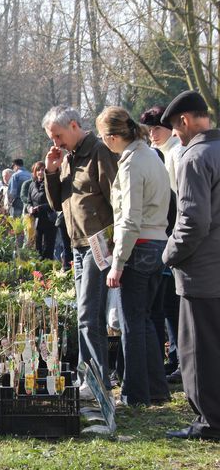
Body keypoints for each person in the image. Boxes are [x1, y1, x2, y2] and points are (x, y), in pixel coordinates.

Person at [96, 106, 171, 407]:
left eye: (103, 137)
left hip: (138, 246)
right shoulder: (150, 155)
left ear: (114, 137)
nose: (103, 143)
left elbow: (129, 219)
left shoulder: (130, 165)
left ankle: (135, 394)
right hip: (158, 244)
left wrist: (118, 263)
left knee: (132, 324)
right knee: (147, 321)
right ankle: (156, 389)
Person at [42, 105, 118, 398]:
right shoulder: (66, 157)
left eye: (58, 136)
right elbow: (56, 202)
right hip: (76, 244)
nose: (55, 143)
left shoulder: (99, 152)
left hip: (98, 243)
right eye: (52, 137)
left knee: (89, 314)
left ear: (74, 126)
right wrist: (50, 171)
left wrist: (116, 244)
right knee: (85, 315)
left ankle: (98, 381)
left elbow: (116, 200)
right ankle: (91, 377)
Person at [160, 90, 220, 441]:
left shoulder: (194, 157)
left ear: (184, 121)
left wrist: (168, 255)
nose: (176, 137)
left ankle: (208, 421)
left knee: (198, 350)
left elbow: (193, 221)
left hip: (202, 272)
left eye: (175, 129)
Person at [139, 106, 182, 382]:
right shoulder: (161, 152)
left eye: (157, 129)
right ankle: (173, 357)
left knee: (173, 305)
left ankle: (179, 358)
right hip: (165, 232)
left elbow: (177, 199)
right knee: (167, 305)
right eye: (149, 130)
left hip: (175, 233)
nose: (153, 135)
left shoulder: (175, 152)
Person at [26, 161, 57, 260]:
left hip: (49, 219)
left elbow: (55, 202)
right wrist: (29, 208)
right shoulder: (32, 185)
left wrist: (40, 207)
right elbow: (29, 201)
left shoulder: (50, 184)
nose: (40, 172)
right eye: (38, 170)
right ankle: (38, 270)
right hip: (36, 220)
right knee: (37, 248)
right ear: (34, 172)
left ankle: (48, 268)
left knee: (48, 248)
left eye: (43, 170)